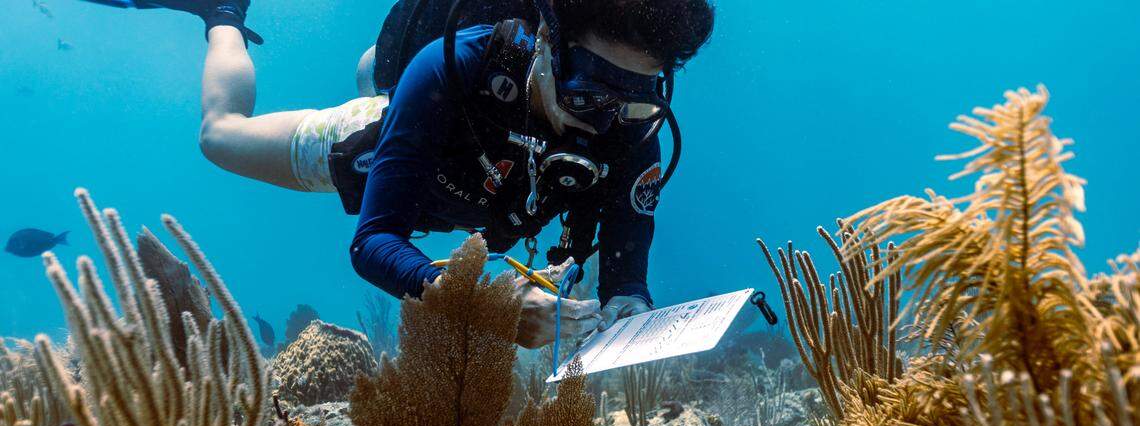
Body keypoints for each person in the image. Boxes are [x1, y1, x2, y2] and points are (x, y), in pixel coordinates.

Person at [88, 0, 715, 348]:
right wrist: (487, 306)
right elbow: (373, 242)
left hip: (485, 189)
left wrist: (629, 305)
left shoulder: (637, 127)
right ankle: (222, 14)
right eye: (589, 91)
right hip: (398, 143)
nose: (604, 119)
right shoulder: (458, 65)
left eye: (635, 97)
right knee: (219, 137)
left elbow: (626, 267)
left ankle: (375, 66)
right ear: (547, 43)